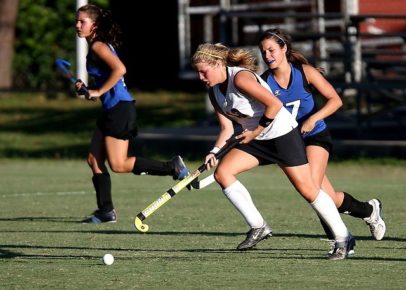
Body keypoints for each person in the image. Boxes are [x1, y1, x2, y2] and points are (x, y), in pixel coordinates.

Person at [191, 42, 355, 260]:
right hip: (257, 139)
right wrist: (215, 151)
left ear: (219, 63)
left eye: (204, 71)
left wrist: (255, 131)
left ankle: (344, 237)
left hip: (281, 134)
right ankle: (258, 226)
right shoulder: (214, 92)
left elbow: (275, 104)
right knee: (223, 173)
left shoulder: (240, 78)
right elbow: (226, 128)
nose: (201, 77)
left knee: (308, 190)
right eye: (198, 73)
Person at [257, 28, 386, 246]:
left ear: (284, 49)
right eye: (263, 52)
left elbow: (335, 100)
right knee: (328, 198)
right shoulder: (263, 83)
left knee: (312, 188)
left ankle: (340, 240)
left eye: (271, 50)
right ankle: (369, 209)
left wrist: (312, 119)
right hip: (291, 143)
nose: (268, 55)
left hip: (316, 136)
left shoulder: (305, 72)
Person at [75, 4, 190, 224]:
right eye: (77, 21)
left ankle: (172, 167)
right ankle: (105, 211)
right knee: (94, 159)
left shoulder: (99, 45)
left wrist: (98, 91)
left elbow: (120, 70)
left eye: (82, 21)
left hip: (119, 109)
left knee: (118, 164)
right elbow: (108, 77)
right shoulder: (97, 45)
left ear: (95, 25)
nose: (77, 25)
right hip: (111, 108)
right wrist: (87, 88)